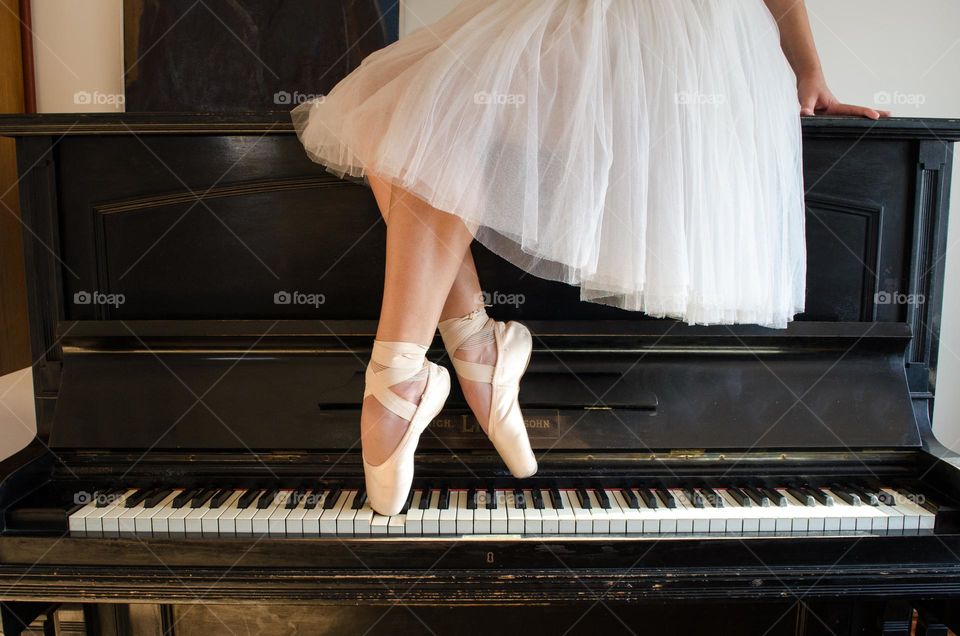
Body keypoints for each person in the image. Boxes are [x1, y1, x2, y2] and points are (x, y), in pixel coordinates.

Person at [291, 0, 889, 516]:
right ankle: (466, 346)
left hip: (675, 39)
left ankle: (416, 369)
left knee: (436, 117)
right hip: (568, 13)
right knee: (394, 113)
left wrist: (808, 69)